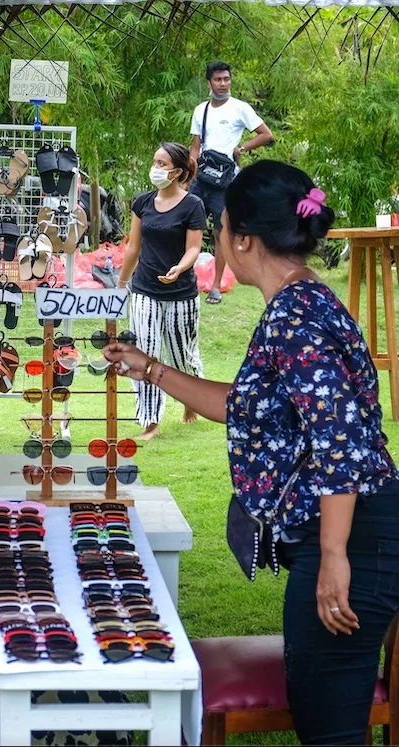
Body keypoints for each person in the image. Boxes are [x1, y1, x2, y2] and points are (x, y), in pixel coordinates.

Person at [105, 159, 399, 744]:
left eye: (220, 229)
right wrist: (151, 369)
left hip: (351, 535)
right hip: (348, 528)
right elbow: (246, 404)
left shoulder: (297, 315)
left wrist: (335, 553)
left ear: (242, 238)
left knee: (330, 729)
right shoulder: (299, 302)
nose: (216, 240)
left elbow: (337, 437)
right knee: (324, 717)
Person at [117, 142, 206, 440]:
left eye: (162, 164)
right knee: (146, 355)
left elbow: (194, 247)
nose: (155, 168)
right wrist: (121, 284)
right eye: (154, 161)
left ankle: (191, 399)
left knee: (182, 357)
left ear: (178, 171)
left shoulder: (193, 205)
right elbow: (133, 247)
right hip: (144, 289)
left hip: (181, 294)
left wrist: (180, 268)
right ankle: (150, 421)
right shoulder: (142, 202)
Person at [189, 60, 273, 305]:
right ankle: (181, 278)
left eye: (226, 79)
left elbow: (266, 134)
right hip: (201, 178)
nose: (223, 84)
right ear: (209, 83)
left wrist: (242, 148)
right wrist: (187, 175)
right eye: (218, 80)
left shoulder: (240, 108)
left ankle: (216, 286)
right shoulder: (201, 110)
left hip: (227, 180)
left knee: (221, 232)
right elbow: (195, 147)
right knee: (186, 225)